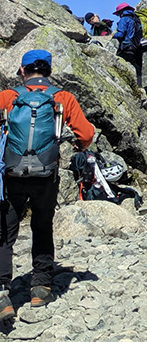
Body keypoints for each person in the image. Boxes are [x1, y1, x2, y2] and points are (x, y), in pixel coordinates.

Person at [1, 50, 95, 319]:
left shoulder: (8, 97)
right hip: (46, 173)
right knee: (42, 224)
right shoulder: (62, 98)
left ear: (23, 71)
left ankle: (1, 292)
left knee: (5, 229)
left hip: (12, 173)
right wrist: (80, 146)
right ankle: (40, 286)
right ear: (49, 71)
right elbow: (86, 133)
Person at [112, 2, 144, 86]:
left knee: (117, 66)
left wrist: (112, 35)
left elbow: (120, 34)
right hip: (138, 47)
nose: (118, 15)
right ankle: (140, 89)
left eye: (118, 13)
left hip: (126, 48)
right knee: (137, 69)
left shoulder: (124, 19)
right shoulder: (137, 19)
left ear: (121, 12)